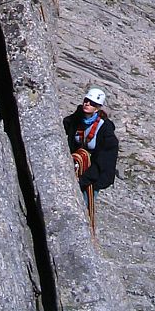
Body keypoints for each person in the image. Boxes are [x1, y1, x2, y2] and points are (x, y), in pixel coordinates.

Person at [63, 86, 118, 231]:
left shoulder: (105, 131)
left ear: (98, 108)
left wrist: (83, 181)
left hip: (94, 175)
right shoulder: (77, 118)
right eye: (86, 101)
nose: (87, 104)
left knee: (84, 205)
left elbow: (103, 162)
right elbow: (65, 125)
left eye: (92, 103)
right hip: (78, 166)